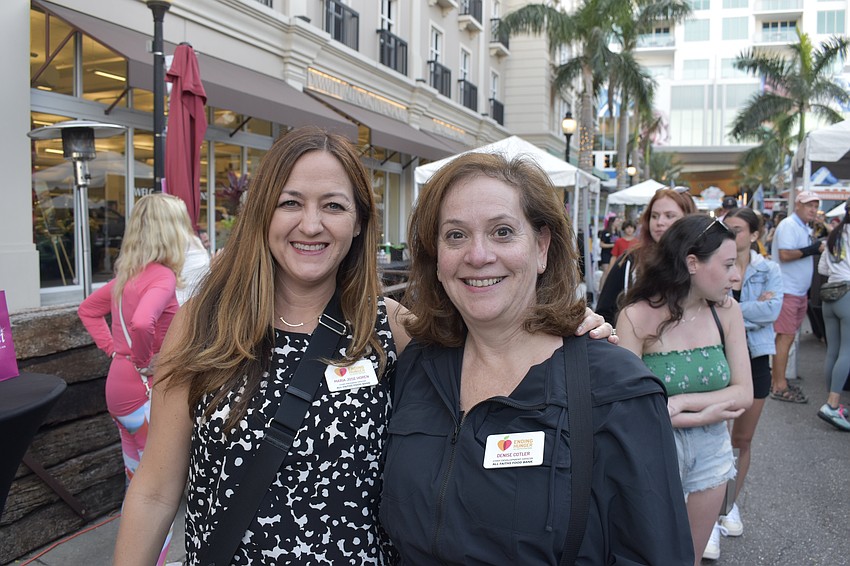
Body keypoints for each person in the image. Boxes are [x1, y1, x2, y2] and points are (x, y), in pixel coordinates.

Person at [112, 127, 613, 565]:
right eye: (291, 203)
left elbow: (497, 339)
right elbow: (155, 491)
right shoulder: (205, 324)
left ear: (357, 223)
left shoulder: (390, 328)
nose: (311, 224)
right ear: (263, 213)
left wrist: (565, 327)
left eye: (333, 205)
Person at [380, 152, 693, 564]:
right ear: (436, 257)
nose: (478, 255)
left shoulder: (615, 389)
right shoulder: (419, 363)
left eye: (503, 232)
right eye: (455, 235)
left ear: (542, 246)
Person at [616, 215, 753, 564]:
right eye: (726, 265)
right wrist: (708, 412)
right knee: (652, 553)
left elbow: (744, 394)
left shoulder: (728, 312)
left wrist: (681, 404)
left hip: (712, 450)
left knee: (691, 555)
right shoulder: (635, 317)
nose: (736, 276)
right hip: (655, 450)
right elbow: (628, 410)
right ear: (692, 263)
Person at [78, 193, 190, 566]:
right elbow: (143, 322)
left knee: (137, 483)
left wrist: (115, 350)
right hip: (143, 390)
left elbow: (88, 310)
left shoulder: (128, 275)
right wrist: (145, 360)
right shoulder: (160, 277)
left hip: (119, 387)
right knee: (159, 491)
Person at [719, 207, 783, 539]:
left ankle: (729, 505)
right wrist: (750, 309)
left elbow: (773, 311)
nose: (732, 234)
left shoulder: (768, 268)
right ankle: (712, 507)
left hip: (756, 357)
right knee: (715, 436)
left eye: (739, 229)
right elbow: (709, 305)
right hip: (720, 354)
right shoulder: (717, 265)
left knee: (741, 439)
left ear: (755, 235)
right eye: (727, 228)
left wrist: (730, 309)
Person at [597, 188, 697, 324]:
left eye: (669, 216)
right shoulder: (631, 261)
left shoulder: (702, 261)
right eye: (654, 216)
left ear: (688, 219)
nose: (659, 222)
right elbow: (604, 314)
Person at [770, 190, 825, 403]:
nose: (813, 209)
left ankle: (778, 380)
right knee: (785, 337)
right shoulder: (789, 226)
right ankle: (779, 384)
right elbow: (785, 254)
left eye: (815, 205)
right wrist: (811, 249)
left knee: (787, 337)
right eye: (809, 205)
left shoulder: (802, 227)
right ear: (798, 206)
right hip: (787, 290)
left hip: (797, 291)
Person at [816, 198, 850, 431]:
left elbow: (823, 269)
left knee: (833, 351)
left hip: (830, 296)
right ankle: (832, 404)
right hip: (848, 295)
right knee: (847, 352)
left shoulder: (834, 235)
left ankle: (831, 401)